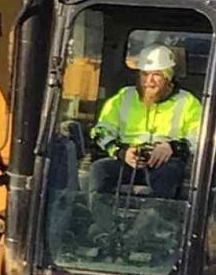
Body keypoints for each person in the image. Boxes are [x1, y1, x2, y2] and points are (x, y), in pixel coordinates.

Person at [87, 45, 203, 200]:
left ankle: (155, 215)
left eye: (157, 75)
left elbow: (200, 137)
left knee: (169, 174)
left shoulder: (187, 102)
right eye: (145, 74)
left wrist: (172, 147)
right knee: (99, 170)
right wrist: (121, 152)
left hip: (165, 163)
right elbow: (100, 131)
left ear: (168, 77)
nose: (149, 81)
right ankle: (100, 215)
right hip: (128, 161)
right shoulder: (123, 97)